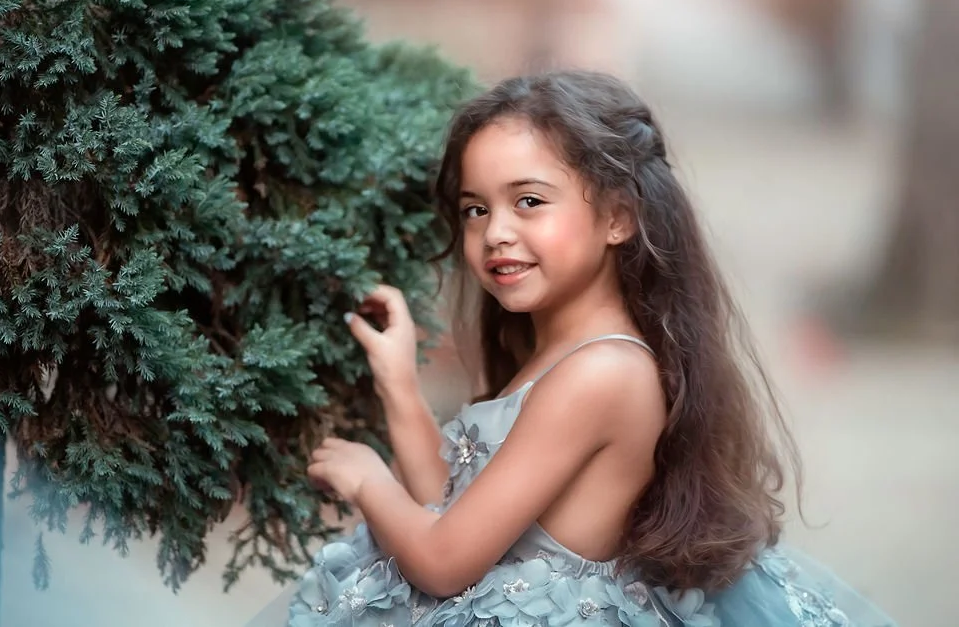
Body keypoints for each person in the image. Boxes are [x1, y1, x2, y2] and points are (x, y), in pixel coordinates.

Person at [266, 71, 897, 626]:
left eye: (529, 201)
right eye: (475, 209)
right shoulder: (562, 358)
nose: (496, 232)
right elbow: (457, 516)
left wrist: (369, 478)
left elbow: (442, 561)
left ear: (619, 218)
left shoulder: (603, 372)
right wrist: (399, 384)